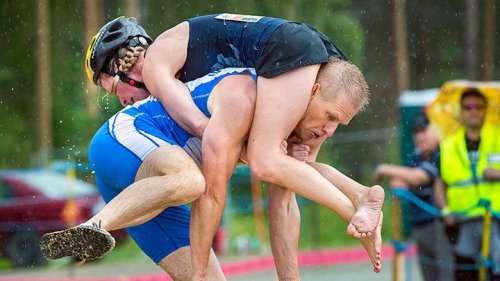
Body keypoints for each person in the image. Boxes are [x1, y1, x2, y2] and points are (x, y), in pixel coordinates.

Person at [45, 15, 384, 279]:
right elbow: (202, 139)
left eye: (115, 91)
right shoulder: (169, 64)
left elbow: (289, 184)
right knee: (197, 179)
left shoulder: (268, 101)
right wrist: (227, 140)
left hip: (150, 184)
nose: (326, 133)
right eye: (328, 120)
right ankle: (94, 226)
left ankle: (358, 195)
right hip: (130, 143)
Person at [372, 112, 453, 281]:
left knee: (446, 274)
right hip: (420, 226)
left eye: (424, 130)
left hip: (442, 226)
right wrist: (403, 181)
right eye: (416, 132)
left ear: (436, 130)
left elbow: (420, 176)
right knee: (429, 275)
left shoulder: (442, 153)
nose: (420, 136)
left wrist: (384, 168)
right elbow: (404, 179)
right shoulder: (416, 157)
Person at [434, 88, 500, 281]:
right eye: (468, 107)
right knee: (465, 272)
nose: (473, 111)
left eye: (478, 106)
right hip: (463, 222)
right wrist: (445, 210)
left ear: (485, 110)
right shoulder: (447, 144)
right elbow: (440, 182)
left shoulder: (498, 136)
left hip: (495, 218)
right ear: (461, 111)